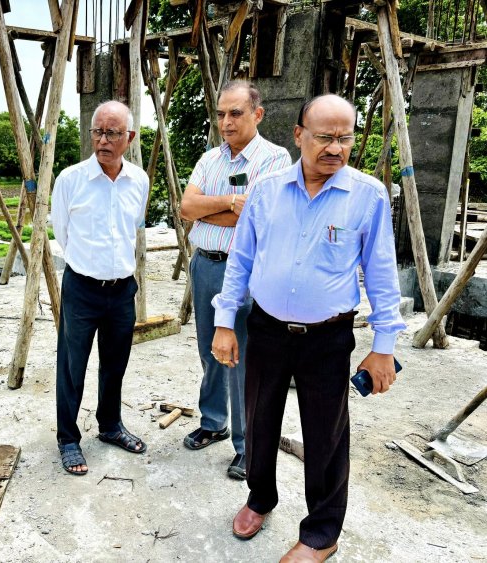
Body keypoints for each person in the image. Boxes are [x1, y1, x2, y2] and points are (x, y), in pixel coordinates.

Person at [212, 94, 406, 562]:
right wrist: (225, 321)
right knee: (259, 419)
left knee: (326, 435)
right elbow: (241, 259)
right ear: (299, 135)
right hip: (267, 330)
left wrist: (384, 346)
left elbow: (381, 273)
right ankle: (260, 498)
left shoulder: (367, 195)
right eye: (325, 137)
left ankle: (321, 533)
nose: (335, 148)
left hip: (327, 336)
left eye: (345, 137)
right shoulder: (266, 190)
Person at [179, 80, 291, 480]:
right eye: (221, 114)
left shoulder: (275, 160)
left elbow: (259, 217)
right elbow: (186, 207)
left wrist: (209, 210)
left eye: (236, 113)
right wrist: (229, 203)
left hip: (242, 271)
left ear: (257, 115)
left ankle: (247, 445)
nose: (226, 121)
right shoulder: (211, 159)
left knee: (241, 357)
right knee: (210, 350)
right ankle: (213, 422)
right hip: (205, 265)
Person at [50, 100, 149, 476]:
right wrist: (89, 266)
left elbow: (134, 228)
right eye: (98, 132)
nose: (103, 140)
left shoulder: (138, 180)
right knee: (72, 366)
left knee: (115, 365)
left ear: (129, 138)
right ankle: (68, 438)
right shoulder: (71, 180)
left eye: (112, 133)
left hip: (122, 290)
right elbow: (63, 232)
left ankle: (110, 426)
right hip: (82, 288)